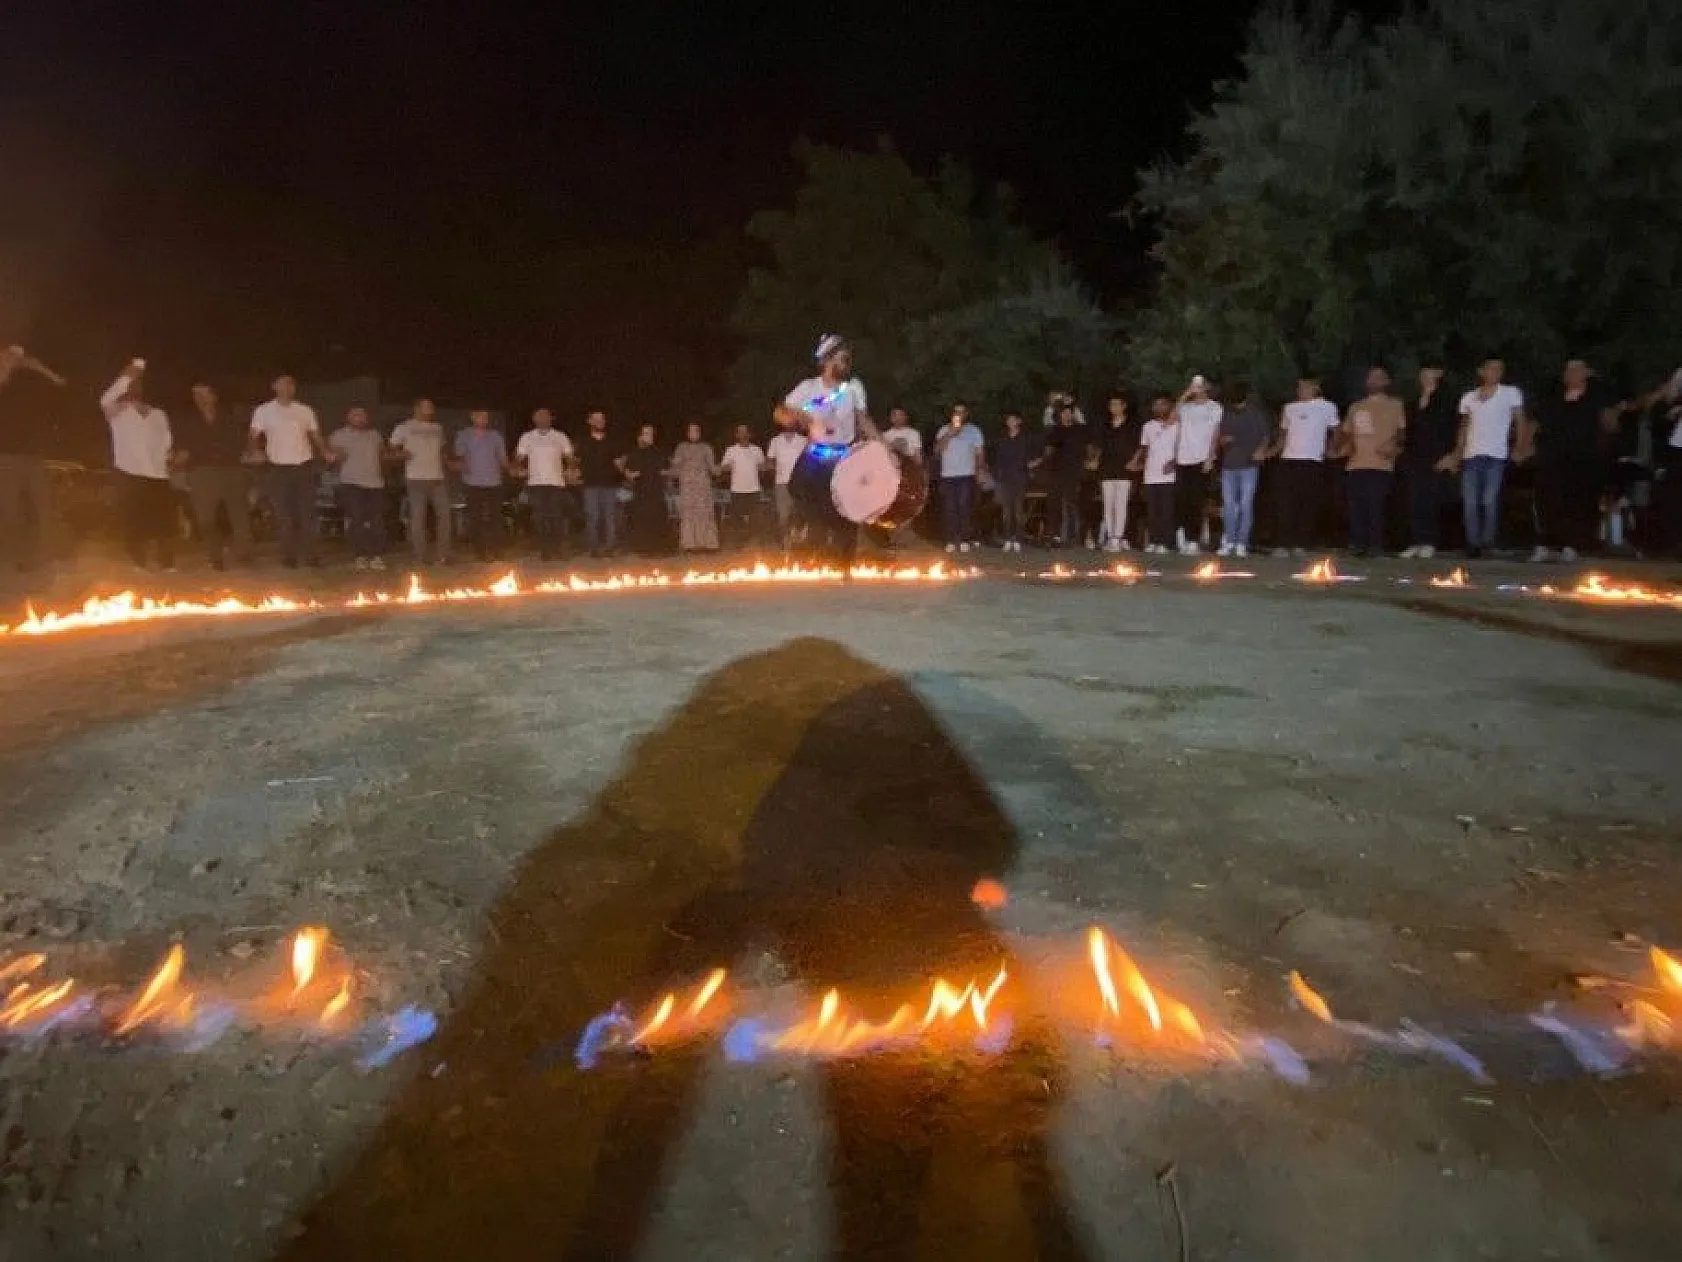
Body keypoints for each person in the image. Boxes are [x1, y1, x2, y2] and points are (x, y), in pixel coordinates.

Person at [772, 333, 882, 570]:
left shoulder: (853, 387)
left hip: (844, 456)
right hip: (815, 456)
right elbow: (780, 413)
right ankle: (807, 555)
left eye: (848, 359)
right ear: (827, 360)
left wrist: (882, 447)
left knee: (847, 510)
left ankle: (843, 565)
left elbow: (863, 420)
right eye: (843, 359)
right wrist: (806, 418)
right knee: (802, 496)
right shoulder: (809, 387)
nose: (847, 363)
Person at [1529, 359, 1617, 563]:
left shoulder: (1596, 398)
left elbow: (1609, 425)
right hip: (1552, 455)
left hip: (1581, 457)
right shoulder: (1553, 398)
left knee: (1576, 502)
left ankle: (1572, 545)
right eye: (1569, 370)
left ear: (1586, 373)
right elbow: (1537, 421)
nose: (1572, 374)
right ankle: (1545, 544)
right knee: (1547, 500)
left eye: (1577, 370)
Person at [99, 358, 176, 571]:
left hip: (159, 473)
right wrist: (131, 372)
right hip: (130, 473)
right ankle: (138, 563)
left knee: (165, 521)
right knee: (135, 521)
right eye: (130, 384)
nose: (134, 386)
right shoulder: (117, 410)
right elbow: (106, 397)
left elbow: (166, 442)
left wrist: (170, 460)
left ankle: (167, 562)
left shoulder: (159, 414)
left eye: (137, 384)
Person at [248, 374, 329, 568]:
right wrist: (256, 451)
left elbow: (315, 435)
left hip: (303, 466)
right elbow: (253, 435)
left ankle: (311, 555)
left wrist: (325, 450)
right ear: (274, 387)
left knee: (307, 513)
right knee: (283, 514)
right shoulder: (264, 410)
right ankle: (289, 555)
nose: (288, 387)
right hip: (277, 468)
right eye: (283, 384)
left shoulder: (304, 410)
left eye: (291, 384)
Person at [0, 344, 67, 573]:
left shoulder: (24, 384)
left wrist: (45, 371)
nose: (13, 360)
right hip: (5, 457)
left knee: (44, 506)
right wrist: (10, 359)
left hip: (32, 456)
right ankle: (12, 558)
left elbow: (54, 380)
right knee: (10, 510)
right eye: (7, 357)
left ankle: (48, 554)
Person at [1452, 357, 1527, 558]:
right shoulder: (1469, 397)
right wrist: (1457, 453)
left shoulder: (1510, 393)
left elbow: (1520, 421)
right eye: (1491, 368)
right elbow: (1464, 426)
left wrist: (1519, 446)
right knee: (1470, 501)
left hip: (1496, 454)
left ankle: (1488, 541)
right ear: (1481, 371)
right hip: (1471, 454)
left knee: (1489, 499)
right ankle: (1472, 543)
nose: (1496, 372)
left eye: (1499, 369)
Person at [173, 381, 252, 569]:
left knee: (239, 514)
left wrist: (249, 461)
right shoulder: (187, 422)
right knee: (205, 518)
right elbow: (183, 449)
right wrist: (175, 466)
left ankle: (244, 553)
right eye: (195, 395)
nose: (199, 398)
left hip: (231, 469)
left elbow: (243, 444)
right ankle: (215, 554)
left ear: (214, 396)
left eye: (203, 394)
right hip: (202, 471)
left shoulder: (230, 418)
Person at [1268, 376, 1340, 557]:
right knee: (1285, 503)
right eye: (1299, 387)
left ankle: (1302, 543)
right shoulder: (1290, 408)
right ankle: (1283, 543)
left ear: (1316, 387)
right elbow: (1283, 435)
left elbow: (1336, 430)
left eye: (1305, 387)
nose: (1300, 390)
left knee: (1308, 504)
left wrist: (1331, 448)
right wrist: (1271, 451)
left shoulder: (1327, 407)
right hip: (1288, 459)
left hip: (1312, 460)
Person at [1338, 366, 1407, 558]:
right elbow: (1346, 434)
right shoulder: (1355, 407)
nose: (1375, 381)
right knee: (1356, 506)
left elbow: (1402, 434)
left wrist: (1394, 446)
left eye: (1380, 377)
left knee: (1376, 506)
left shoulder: (1395, 405)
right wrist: (1343, 448)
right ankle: (1356, 543)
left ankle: (1376, 545)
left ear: (1387, 382)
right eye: (1371, 378)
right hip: (1356, 463)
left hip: (1381, 464)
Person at [1400, 364, 1458, 559]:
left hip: (1437, 455)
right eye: (1423, 373)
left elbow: (1454, 428)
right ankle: (1415, 541)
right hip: (1415, 455)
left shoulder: (1447, 400)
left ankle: (1430, 541)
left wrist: (1451, 454)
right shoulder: (1414, 401)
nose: (1425, 376)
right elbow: (1409, 429)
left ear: (1439, 374)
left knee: (1431, 499)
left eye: (1430, 373)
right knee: (1414, 499)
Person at [390, 398, 452, 565]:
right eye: (426, 406)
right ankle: (420, 555)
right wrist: (401, 455)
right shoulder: (404, 427)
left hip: (437, 478)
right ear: (417, 408)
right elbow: (392, 450)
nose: (430, 409)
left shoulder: (438, 428)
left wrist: (449, 464)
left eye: (431, 406)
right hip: (415, 478)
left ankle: (443, 555)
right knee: (418, 518)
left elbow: (442, 451)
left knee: (444, 516)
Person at [329, 406, 389, 569]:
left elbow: (382, 455)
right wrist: (335, 457)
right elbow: (334, 456)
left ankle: (377, 556)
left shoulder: (375, 435)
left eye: (363, 415)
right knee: (357, 520)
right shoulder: (339, 435)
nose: (360, 418)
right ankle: (359, 556)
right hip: (351, 483)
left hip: (375, 483)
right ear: (348, 418)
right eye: (356, 415)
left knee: (377, 521)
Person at [1214, 382, 1269, 558]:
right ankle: (1229, 541)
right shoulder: (1227, 414)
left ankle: (1241, 543)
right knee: (1229, 506)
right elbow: (1220, 439)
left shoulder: (1256, 415)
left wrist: (1261, 450)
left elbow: (1266, 436)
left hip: (1249, 466)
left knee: (1245, 505)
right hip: (1229, 465)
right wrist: (1225, 441)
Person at [514, 407, 574, 562]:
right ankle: (545, 550)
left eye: (546, 416)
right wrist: (516, 468)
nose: (543, 419)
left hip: (556, 483)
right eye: (539, 416)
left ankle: (558, 548)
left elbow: (569, 456)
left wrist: (571, 470)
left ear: (551, 419)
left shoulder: (560, 436)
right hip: (536, 483)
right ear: (534, 419)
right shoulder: (527, 437)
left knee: (556, 517)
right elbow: (519, 457)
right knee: (540, 519)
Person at [1172, 375, 1222, 555]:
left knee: (1196, 500)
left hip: (1201, 459)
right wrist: (1185, 394)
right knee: (1182, 500)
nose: (1197, 388)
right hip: (1183, 458)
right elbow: (1172, 419)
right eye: (1194, 385)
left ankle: (1193, 539)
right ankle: (1183, 537)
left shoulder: (1214, 407)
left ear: (1207, 386)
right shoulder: (1186, 407)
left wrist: (1210, 457)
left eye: (1200, 385)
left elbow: (1215, 433)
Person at [452, 410, 509, 562]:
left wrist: (511, 470)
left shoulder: (495, 436)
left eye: (486, 416)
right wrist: (458, 465)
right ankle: (480, 552)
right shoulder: (464, 435)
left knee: (495, 518)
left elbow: (503, 458)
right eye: (480, 416)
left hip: (494, 482)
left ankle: (497, 550)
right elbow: (459, 457)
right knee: (475, 518)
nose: (484, 419)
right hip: (472, 482)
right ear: (472, 417)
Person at [1130, 394, 1180, 553]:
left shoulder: (1177, 425)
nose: (1159, 408)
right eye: (1156, 405)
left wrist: (1174, 463)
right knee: (1152, 511)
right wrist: (1137, 462)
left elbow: (1181, 447)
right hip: (1150, 474)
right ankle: (1153, 540)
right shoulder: (1148, 426)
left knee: (1167, 510)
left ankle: (1166, 543)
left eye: (1162, 405)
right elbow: (1144, 447)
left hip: (1168, 475)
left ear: (1169, 406)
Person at [934, 403, 985, 554]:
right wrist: (950, 433)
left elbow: (979, 453)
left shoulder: (973, 430)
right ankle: (950, 540)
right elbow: (937, 451)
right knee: (949, 508)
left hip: (966, 474)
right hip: (948, 475)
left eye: (962, 412)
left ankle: (964, 539)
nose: (959, 414)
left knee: (964, 507)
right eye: (956, 411)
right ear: (952, 414)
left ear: (966, 414)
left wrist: (980, 470)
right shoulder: (944, 430)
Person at [1040, 400, 1091, 546]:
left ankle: (1074, 536)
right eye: (1064, 413)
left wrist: (1088, 462)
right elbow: (1048, 451)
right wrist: (1043, 463)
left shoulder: (1080, 430)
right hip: (1056, 472)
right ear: (1060, 415)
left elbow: (1089, 450)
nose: (1067, 415)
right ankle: (1054, 535)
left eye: (1070, 412)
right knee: (1054, 503)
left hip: (1074, 472)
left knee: (1072, 504)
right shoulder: (1055, 430)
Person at [576, 411, 626, 559]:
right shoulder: (583, 441)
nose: (599, 421)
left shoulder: (612, 441)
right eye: (596, 419)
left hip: (610, 484)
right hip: (590, 485)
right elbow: (576, 462)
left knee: (610, 517)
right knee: (592, 516)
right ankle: (594, 548)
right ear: (589, 421)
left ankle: (610, 548)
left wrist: (626, 475)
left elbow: (619, 463)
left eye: (602, 418)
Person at [1096, 394, 1139, 552]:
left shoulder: (1132, 425)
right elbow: (1100, 446)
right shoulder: (1106, 425)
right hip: (1107, 469)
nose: (1112, 408)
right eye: (1111, 405)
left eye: (1116, 404)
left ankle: (1118, 537)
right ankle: (1110, 535)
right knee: (1108, 504)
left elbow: (1139, 446)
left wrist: (1135, 461)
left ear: (1123, 406)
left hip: (1125, 469)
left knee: (1121, 504)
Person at [670, 422, 719, 554]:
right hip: (687, 487)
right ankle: (689, 544)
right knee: (688, 514)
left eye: (696, 430)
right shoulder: (681, 447)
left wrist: (724, 468)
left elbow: (713, 468)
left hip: (703, 487)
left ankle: (708, 544)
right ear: (687, 433)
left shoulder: (706, 448)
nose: (694, 433)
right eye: (691, 431)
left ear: (700, 432)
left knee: (705, 514)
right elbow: (675, 467)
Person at [623, 423, 671, 556]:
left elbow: (667, 470)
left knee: (657, 518)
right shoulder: (634, 453)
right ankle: (643, 548)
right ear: (640, 436)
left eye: (651, 433)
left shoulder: (658, 452)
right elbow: (627, 472)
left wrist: (666, 474)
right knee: (642, 520)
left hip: (656, 491)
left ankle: (660, 548)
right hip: (641, 492)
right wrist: (631, 475)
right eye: (646, 433)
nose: (649, 436)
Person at [880, 407, 924, 552]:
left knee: (906, 506)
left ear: (906, 417)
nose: (897, 418)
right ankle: (887, 539)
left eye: (900, 415)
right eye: (894, 415)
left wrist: (904, 452)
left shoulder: (913, 434)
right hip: (890, 477)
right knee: (889, 506)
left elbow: (918, 458)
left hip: (908, 476)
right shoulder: (884, 436)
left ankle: (902, 537)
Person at [718, 424, 767, 548]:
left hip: (754, 490)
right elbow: (723, 467)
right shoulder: (731, 450)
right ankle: (738, 544)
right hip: (737, 490)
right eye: (740, 432)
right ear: (736, 435)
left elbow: (762, 467)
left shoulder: (757, 450)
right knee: (736, 519)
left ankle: (755, 543)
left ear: (750, 435)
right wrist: (726, 467)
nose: (743, 434)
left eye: (745, 432)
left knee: (756, 519)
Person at [991, 412, 1033, 552]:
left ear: (1018, 421)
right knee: (1006, 511)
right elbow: (998, 460)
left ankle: (1018, 539)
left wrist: (1028, 470)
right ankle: (1008, 538)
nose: (1010, 422)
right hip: (1005, 480)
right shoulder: (1003, 440)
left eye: (1013, 419)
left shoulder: (1024, 440)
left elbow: (1029, 459)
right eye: (1008, 420)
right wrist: (998, 476)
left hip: (1020, 479)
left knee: (1018, 510)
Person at [766, 412, 808, 546]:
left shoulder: (803, 440)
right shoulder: (775, 441)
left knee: (799, 513)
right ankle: (786, 541)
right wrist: (774, 471)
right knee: (783, 515)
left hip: (800, 483)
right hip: (781, 483)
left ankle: (799, 539)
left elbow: (810, 460)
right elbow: (770, 461)